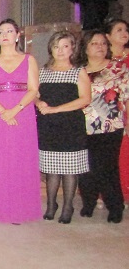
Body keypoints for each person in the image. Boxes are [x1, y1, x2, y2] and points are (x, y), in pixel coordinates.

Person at [0, 19, 42, 224]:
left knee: (20, 158)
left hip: (22, 113)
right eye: (1, 32)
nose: (5, 35)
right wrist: (3, 112)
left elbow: (33, 89)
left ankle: (20, 208)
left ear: (17, 35)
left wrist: (15, 110)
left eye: (9, 31)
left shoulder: (29, 60)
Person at [36, 31, 91, 224]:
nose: (60, 51)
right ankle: (51, 205)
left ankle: (68, 206)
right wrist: (38, 102)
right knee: (51, 169)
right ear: (50, 49)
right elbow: (34, 93)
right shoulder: (43, 71)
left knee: (70, 169)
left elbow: (85, 99)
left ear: (72, 49)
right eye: (56, 46)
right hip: (48, 126)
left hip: (71, 125)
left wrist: (56, 109)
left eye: (65, 46)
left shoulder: (78, 71)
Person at [77, 30, 129, 223]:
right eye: (94, 43)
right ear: (85, 48)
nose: (100, 47)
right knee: (86, 167)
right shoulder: (78, 70)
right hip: (83, 125)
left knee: (107, 167)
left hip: (110, 126)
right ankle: (88, 202)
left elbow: (127, 96)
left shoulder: (118, 69)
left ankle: (115, 206)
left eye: (102, 43)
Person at [105, 19, 129, 201]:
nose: (124, 33)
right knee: (110, 152)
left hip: (127, 109)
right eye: (119, 30)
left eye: (126, 29)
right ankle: (106, 193)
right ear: (108, 36)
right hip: (107, 112)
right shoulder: (102, 60)